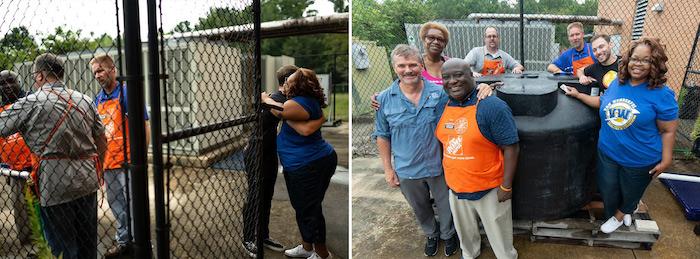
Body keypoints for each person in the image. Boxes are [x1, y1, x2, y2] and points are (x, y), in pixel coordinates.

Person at [0, 53, 107, 259]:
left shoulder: (30, 102)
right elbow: (101, 139)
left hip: (54, 182)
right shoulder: (84, 99)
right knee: (88, 244)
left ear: (40, 75)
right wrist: (98, 168)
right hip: (87, 178)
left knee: (62, 246)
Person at [570, 37, 678, 233]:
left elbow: (668, 130)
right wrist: (578, 95)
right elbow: (602, 103)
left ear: (655, 64)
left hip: (640, 158)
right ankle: (621, 211)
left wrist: (667, 159)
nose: (638, 64)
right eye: (635, 58)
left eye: (646, 60)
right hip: (608, 152)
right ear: (628, 59)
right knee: (609, 190)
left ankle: (621, 214)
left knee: (631, 192)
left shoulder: (662, 94)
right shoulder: (617, 83)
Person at [373, 44, 459, 257]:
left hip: (439, 164)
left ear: (421, 66)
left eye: (412, 64)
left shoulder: (439, 94)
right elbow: (383, 135)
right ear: (395, 68)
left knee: (447, 205)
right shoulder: (384, 99)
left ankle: (448, 235)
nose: (408, 70)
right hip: (407, 167)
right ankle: (431, 234)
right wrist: (388, 169)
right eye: (402, 66)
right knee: (419, 206)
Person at [437, 58, 519, 259]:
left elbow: (511, 147)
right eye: (447, 77)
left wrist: (506, 187)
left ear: (471, 75)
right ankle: (469, 254)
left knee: (501, 240)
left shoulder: (492, 106)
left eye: (458, 75)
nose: (453, 81)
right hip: (456, 189)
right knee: (466, 238)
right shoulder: (442, 104)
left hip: (489, 190)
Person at [242, 64, 325, 257]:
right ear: (288, 80)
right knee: (255, 195)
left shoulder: (281, 99)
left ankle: (262, 235)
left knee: (267, 195)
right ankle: (248, 238)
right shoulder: (279, 99)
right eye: (298, 77)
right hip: (256, 152)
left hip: (270, 151)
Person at [261, 68, 336, 259]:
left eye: (289, 81)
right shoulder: (305, 100)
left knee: (310, 211)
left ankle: (322, 254)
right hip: (309, 162)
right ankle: (307, 247)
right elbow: (292, 119)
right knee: (305, 207)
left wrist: (265, 99)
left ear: (299, 85)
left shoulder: (296, 103)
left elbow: (280, 111)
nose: (285, 84)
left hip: (307, 164)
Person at [89, 54, 150, 257]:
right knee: (117, 206)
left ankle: (142, 242)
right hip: (108, 163)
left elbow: (145, 126)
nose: (97, 75)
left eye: (100, 70)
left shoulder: (126, 93)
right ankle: (124, 241)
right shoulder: (98, 99)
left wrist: (142, 157)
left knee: (135, 204)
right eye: (95, 72)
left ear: (112, 69)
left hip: (129, 162)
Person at [0, 70, 32, 245]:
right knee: (20, 207)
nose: (7, 86)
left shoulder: (29, 101)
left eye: (10, 81)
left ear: (18, 81)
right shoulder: (0, 109)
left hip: (35, 165)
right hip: (14, 169)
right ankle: (28, 243)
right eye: (2, 84)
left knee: (40, 205)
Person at [563, 34, 619, 105]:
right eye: (594, 50)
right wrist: (582, 77)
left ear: (610, 45)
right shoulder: (595, 67)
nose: (598, 52)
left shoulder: (623, 64)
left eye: (601, 47)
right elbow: (580, 70)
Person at [420, 21, 451, 86]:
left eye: (440, 39)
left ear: (445, 44)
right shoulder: (417, 63)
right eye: (431, 37)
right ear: (424, 40)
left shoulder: (450, 63)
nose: (436, 42)